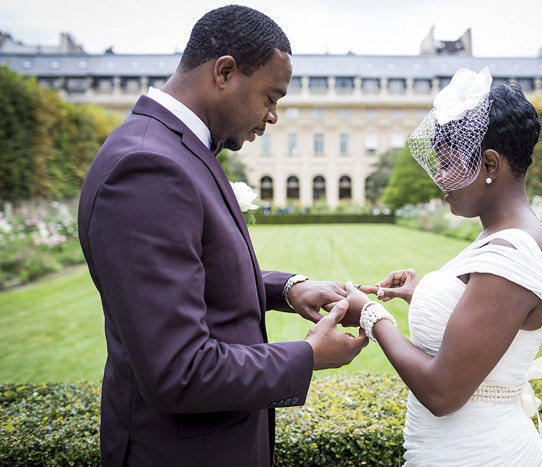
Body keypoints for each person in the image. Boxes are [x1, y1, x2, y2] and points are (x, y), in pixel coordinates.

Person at [77, 5, 367, 466]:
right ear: (225, 72)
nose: (273, 117)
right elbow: (179, 371)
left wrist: (289, 289)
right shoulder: (149, 166)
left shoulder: (175, 148)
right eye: (271, 97)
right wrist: (307, 357)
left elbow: (195, 268)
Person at [348, 67, 542, 466]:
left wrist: (372, 316)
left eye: (448, 164)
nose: (440, 178)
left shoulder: (513, 251)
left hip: (481, 453)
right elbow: (482, 323)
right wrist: (420, 293)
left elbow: (442, 393)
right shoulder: (503, 235)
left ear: (490, 165)